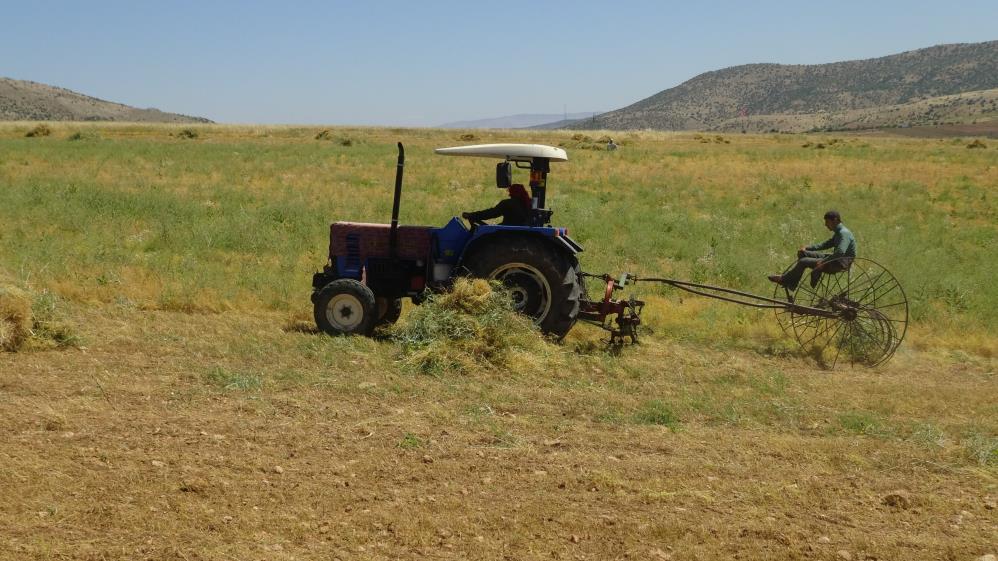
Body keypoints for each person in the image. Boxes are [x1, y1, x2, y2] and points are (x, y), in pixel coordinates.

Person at [768, 210, 856, 291]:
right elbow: (826, 244)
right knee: (803, 253)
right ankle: (792, 282)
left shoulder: (843, 233)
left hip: (840, 263)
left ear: (835, 220)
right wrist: (807, 248)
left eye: (827, 222)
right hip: (835, 259)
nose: (825, 225)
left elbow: (840, 252)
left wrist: (823, 262)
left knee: (803, 261)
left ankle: (784, 279)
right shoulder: (838, 233)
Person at [462, 183, 531, 226]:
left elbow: (491, 213)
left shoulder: (508, 203)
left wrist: (472, 215)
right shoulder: (530, 203)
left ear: (511, 192)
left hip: (507, 232)